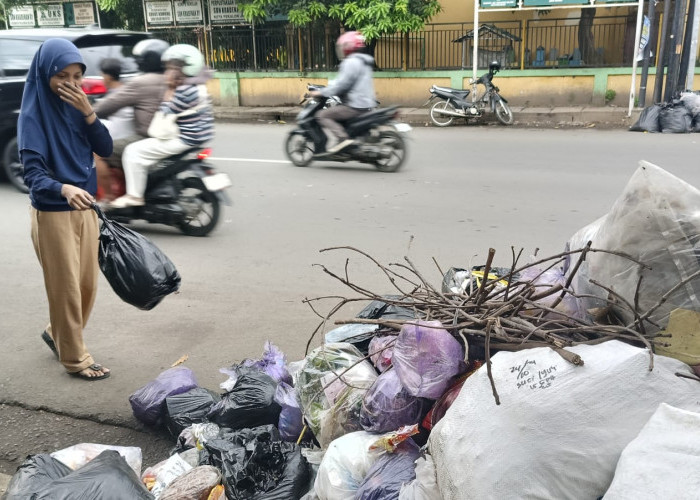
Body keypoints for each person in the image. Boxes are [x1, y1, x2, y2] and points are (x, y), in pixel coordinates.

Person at [18, 38, 113, 380]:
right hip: (53, 212)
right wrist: (63, 187)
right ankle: (75, 358)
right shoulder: (33, 116)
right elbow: (34, 176)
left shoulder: (78, 109)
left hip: (84, 207)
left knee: (87, 285)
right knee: (66, 289)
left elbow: (105, 147)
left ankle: (54, 333)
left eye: (77, 75)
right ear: (45, 75)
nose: (71, 84)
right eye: (62, 75)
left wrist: (88, 112)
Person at [109, 44, 214, 208]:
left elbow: (161, 122)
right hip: (199, 137)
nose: (168, 72)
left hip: (184, 139)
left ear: (186, 68)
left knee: (132, 151)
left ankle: (135, 196)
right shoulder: (199, 86)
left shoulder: (183, 91)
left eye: (173, 68)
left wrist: (169, 90)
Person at [93, 39, 169, 170]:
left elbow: (106, 106)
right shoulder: (172, 79)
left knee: (98, 151)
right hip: (169, 135)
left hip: (146, 136)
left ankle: (109, 192)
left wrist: (87, 113)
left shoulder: (141, 82)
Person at [309, 31, 377, 153]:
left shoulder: (350, 62)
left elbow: (342, 85)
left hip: (355, 106)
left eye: (342, 47)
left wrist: (320, 93)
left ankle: (343, 139)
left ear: (348, 46)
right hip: (367, 104)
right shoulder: (364, 61)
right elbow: (348, 82)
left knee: (322, 115)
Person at [94, 57, 134, 201]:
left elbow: (95, 113)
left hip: (123, 139)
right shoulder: (126, 89)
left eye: (102, 75)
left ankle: (108, 197)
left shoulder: (115, 95)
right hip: (130, 135)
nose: (101, 79)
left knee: (96, 156)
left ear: (108, 76)